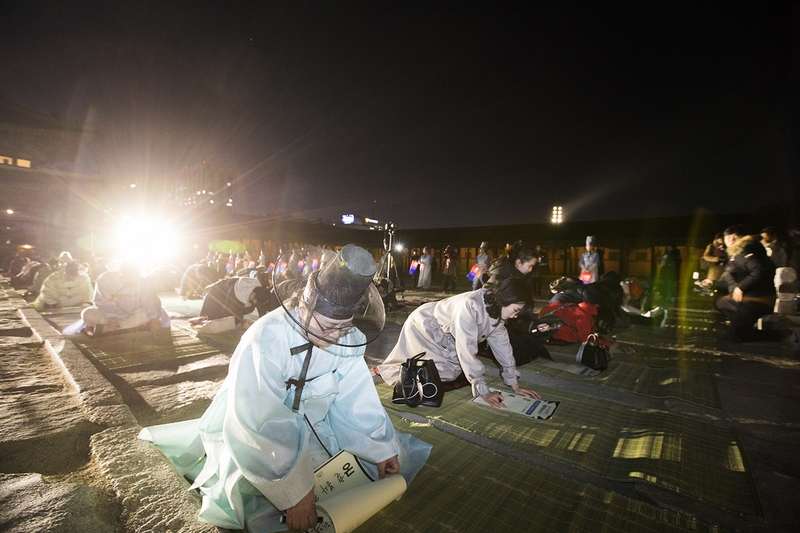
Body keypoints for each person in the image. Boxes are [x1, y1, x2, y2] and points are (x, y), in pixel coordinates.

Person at [156, 244, 430, 531]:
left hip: (318, 423)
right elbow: (260, 417)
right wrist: (294, 492)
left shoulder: (347, 338)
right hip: (259, 434)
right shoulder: (264, 340)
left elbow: (356, 398)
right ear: (303, 306)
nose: (335, 336)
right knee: (264, 500)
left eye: (344, 327)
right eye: (326, 327)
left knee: (362, 473)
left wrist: (379, 447)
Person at [378, 278, 541, 409]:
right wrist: (483, 391)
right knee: (441, 374)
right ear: (507, 299)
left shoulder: (497, 310)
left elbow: (503, 346)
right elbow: (466, 348)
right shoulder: (470, 305)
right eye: (516, 310)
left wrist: (514, 385)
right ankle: (401, 368)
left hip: (446, 335)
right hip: (424, 327)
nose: (515, 316)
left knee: (454, 371)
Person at [701, 224, 796, 346]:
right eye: (727, 237)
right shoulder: (735, 254)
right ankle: (741, 323)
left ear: (742, 237)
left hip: (755, 299)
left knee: (734, 336)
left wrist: (741, 288)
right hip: (747, 299)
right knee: (720, 302)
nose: (730, 240)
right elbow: (732, 279)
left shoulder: (745, 250)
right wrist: (713, 282)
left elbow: (761, 269)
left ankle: (787, 334)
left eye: (734, 237)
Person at [80, 258, 167, 337]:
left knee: (147, 316)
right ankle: (123, 328)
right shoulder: (105, 279)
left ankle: (108, 329)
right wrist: (112, 318)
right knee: (87, 314)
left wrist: (155, 319)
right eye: (128, 277)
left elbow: (150, 302)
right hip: (110, 315)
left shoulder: (144, 282)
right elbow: (102, 301)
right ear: (120, 273)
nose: (132, 280)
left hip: (134, 313)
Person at [190, 276, 270, 332]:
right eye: (254, 300)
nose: (255, 302)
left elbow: (261, 307)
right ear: (252, 294)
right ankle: (199, 320)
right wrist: (239, 323)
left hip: (229, 294)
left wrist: (261, 324)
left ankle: (204, 319)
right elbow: (229, 309)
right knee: (215, 317)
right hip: (217, 292)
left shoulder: (258, 291)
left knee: (248, 308)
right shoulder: (238, 291)